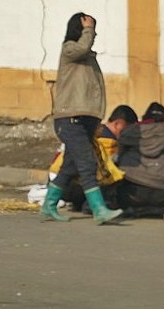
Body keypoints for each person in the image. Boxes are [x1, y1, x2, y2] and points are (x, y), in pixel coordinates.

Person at [41, 12, 123, 225]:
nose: (93, 34)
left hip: (85, 119)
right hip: (70, 119)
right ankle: (99, 209)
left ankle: (48, 206)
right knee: (87, 163)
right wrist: (88, 29)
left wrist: (96, 120)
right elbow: (81, 48)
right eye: (88, 30)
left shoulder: (88, 58)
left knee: (70, 166)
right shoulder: (69, 49)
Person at [48, 104, 138, 212]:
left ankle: (53, 204)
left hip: (57, 181)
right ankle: (94, 206)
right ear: (118, 124)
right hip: (72, 186)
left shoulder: (93, 132)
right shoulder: (107, 140)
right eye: (128, 128)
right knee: (110, 175)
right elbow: (106, 171)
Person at [116, 102, 164, 219]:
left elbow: (120, 158)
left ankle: (126, 207)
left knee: (114, 169)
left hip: (132, 194)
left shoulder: (129, 132)